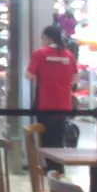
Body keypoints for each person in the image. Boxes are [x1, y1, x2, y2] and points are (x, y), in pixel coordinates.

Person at [26, 25, 78, 173]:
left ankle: (51, 170)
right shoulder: (69, 55)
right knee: (58, 138)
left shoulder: (39, 54)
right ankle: (58, 169)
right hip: (63, 104)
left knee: (46, 139)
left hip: (45, 104)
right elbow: (75, 80)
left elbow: (28, 75)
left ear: (47, 38)